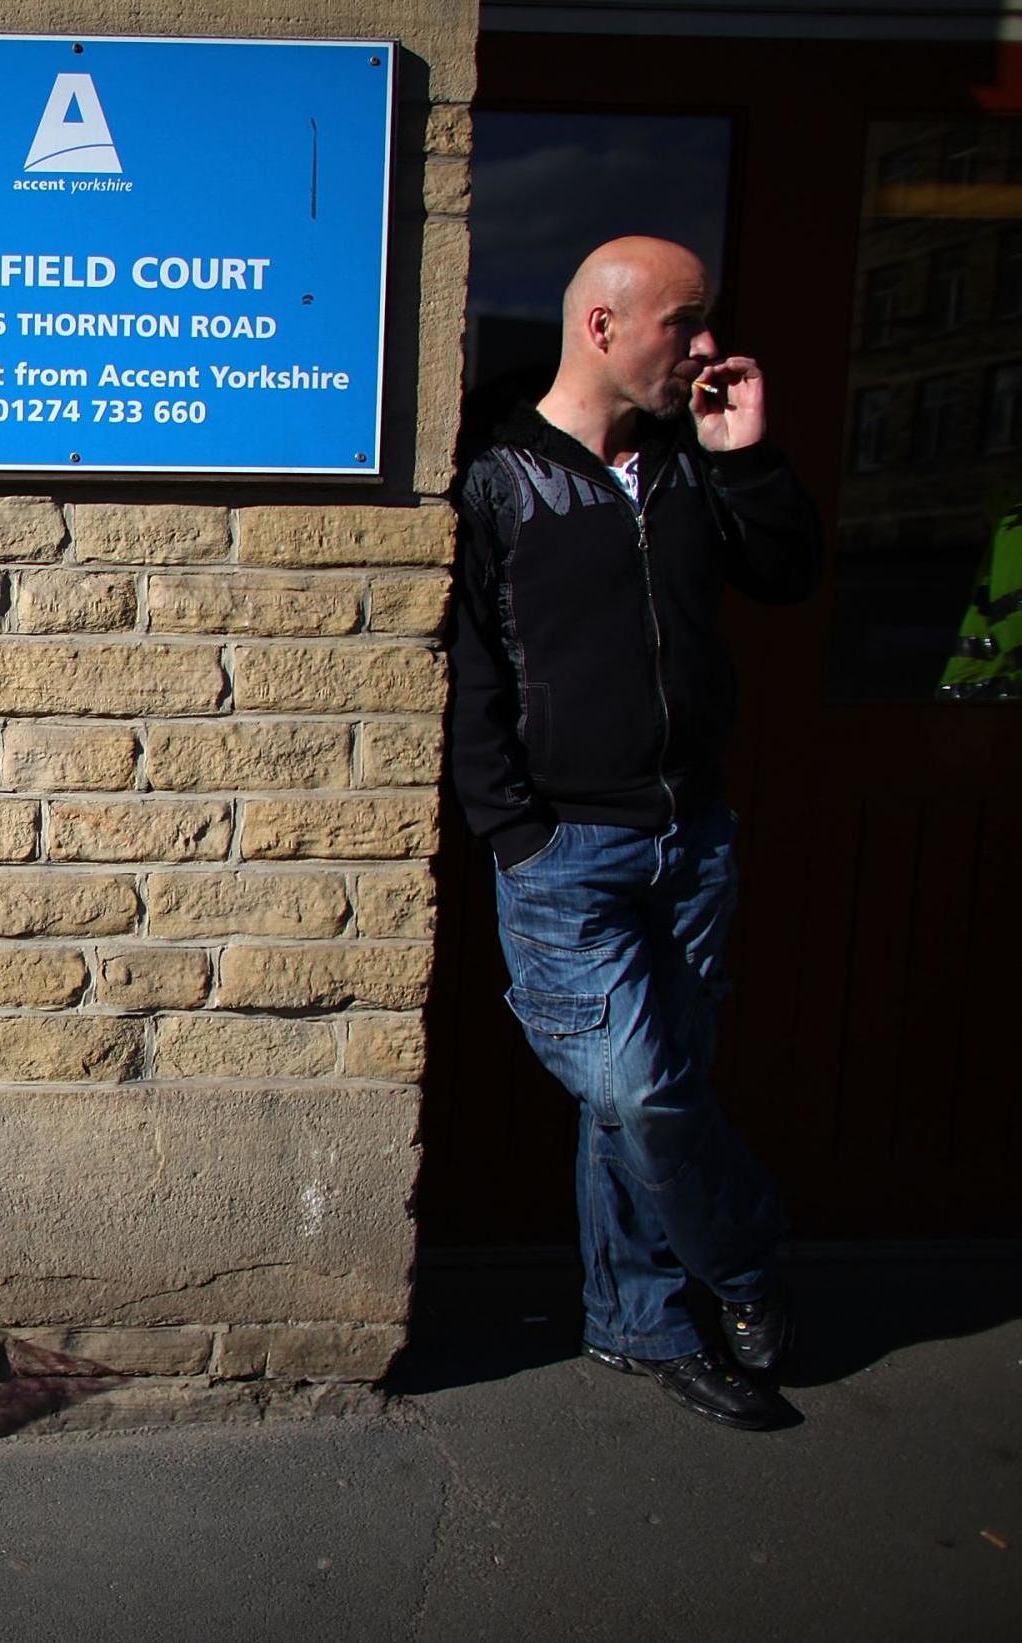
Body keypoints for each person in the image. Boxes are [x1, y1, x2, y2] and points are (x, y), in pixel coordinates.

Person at [446, 236, 825, 1430]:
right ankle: (748, 1263)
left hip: (689, 837)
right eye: (685, 323)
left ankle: (636, 1323)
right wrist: (514, 833)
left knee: (636, 1101)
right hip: (566, 848)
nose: (705, 348)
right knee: (645, 1092)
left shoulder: (686, 464)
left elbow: (785, 573)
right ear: (603, 329)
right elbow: (466, 673)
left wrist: (743, 455)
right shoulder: (498, 478)